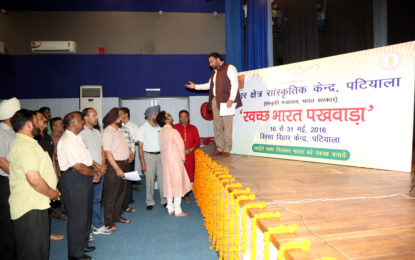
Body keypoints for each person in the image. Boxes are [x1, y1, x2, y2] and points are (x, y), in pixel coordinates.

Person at [9, 109, 60, 260]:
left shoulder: (29, 143)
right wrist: (52, 193)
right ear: (29, 124)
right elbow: (33, 178)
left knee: (38, 251)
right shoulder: (26, 146)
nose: (41, 124)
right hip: (30, 208)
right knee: (33, 254)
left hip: (36, 204)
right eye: (37, 120)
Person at [58, 111, 101, 260]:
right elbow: (78, 166)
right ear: (73, 123)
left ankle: (82, 244)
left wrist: (92, 172)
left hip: (82, 177)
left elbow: (85, 160)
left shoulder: (76, 138)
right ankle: (75, 254)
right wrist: (94, 173)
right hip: (74, 179)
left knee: (85, 214)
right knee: (77, 217)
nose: (83, 122)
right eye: (80, 120)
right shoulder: (68, 140)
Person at [185, 52, 243, 157]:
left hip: (226, 101)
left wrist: (231, 99)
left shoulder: (230, 68)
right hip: (215, 101)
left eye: (211, 62)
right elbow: (209, 85)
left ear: (217, 59)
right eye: (209, 62)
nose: (210, 64)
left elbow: (235, 84)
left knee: (227, 126)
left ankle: (227, 149)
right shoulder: (214, 72)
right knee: (217, 126)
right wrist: (195, 87)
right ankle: (219, 148)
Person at [79, 108, 112, 236]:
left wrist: (103, 166)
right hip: (89, 171)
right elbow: (83, 154)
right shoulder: (80, 133)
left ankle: (97, 225)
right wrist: (98, 166)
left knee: (96, 200)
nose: (96, 117)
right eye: (93, 115)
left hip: (100, 170)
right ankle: (87, 229)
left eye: (96, 115)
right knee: (86, 201)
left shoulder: (97, 132)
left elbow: (101, 150)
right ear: (85, 118)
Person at [33, 111, 65, 241]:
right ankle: (41, 235)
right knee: (41, 209)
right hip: (39, 178)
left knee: (49, 208)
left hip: (51, 175)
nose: (45, 121)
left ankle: (48, 233)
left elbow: (51, 156)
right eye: (41, 119)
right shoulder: (33, 139)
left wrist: (55, 174)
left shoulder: (46, 136)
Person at [102, 108, 133, 231]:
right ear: (113, 118)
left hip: (124, 165)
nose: (121, 118)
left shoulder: (119, 130)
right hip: (114, 166)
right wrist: (116, 168)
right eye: (119, 116)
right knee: (111, 194)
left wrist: (130, 152)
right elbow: (107, 152)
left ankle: (116, 216)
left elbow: (124, 144)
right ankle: (108, 221)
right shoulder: (107, 133)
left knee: (121, 193)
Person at [156, 111, 191, 217]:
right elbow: (181, 146)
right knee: (177, 185)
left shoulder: (161, 132)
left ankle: (170, 208)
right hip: (175, 161)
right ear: (166, 120)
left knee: (169, 184)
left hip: (166, 161)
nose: (171, 116)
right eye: (168, 115)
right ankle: (178, 210)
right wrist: (183, 158)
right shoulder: (173, 131)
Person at [0, 97, 20, 260]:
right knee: (6, 221)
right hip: (6, 182)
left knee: (15, 219)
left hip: (15, 181)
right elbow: (1, 161)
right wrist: (17, 178)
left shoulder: (14, 132)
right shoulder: (1, 133)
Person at [137, 105, 167, 210]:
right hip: (148, 156)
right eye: (156, 114)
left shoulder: (161, 126)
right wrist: (142, 162)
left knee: (162, 179)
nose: (158, 116)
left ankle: (164, 200)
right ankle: (150, 201)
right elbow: (140, 147)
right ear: (151, 116)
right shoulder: (142, 128)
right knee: (149, 180)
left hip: (161, 156)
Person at [173, 110, 200, 203]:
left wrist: (189, 150)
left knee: (188, 175)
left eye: (185, 116)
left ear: (188, 118)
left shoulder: (193, 128)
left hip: (189, 156)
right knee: (177, 174)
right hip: (177, 155)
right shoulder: (174, 128)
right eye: (181, 116)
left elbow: (197, 142)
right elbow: (171, 141)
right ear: (179, 118)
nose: (183, 118)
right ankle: (177, 193)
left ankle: (186, 195)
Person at [119, 107, 137, 213]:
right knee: (120, 179)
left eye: (121, 114)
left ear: (126, 114)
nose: (119, 116)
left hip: (130, 157)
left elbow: (134, 140)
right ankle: (122, 199)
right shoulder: (118, 126)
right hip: (119, 157)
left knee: (129, 179)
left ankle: (128, 198)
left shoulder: (134, 126)